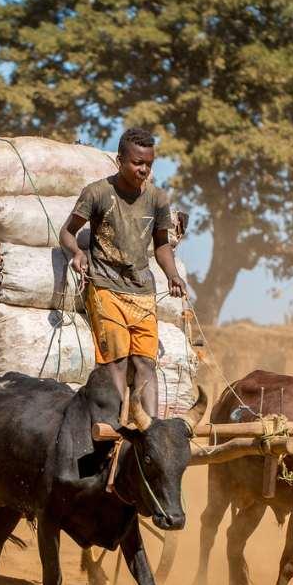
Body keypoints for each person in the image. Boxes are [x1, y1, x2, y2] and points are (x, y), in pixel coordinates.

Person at [59, 127, 187, 418]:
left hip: (143, 292)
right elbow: (67, 232)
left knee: (145, 363)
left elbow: (162, 246)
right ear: (120, 160)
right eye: (137, 163)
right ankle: (114, 425)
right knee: (116, 361)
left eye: (149, 165)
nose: (144, 170)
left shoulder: (158, 199)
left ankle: (150, 428)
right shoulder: (98, 193)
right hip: (105, 288)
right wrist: (77, 253)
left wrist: (172, 274)